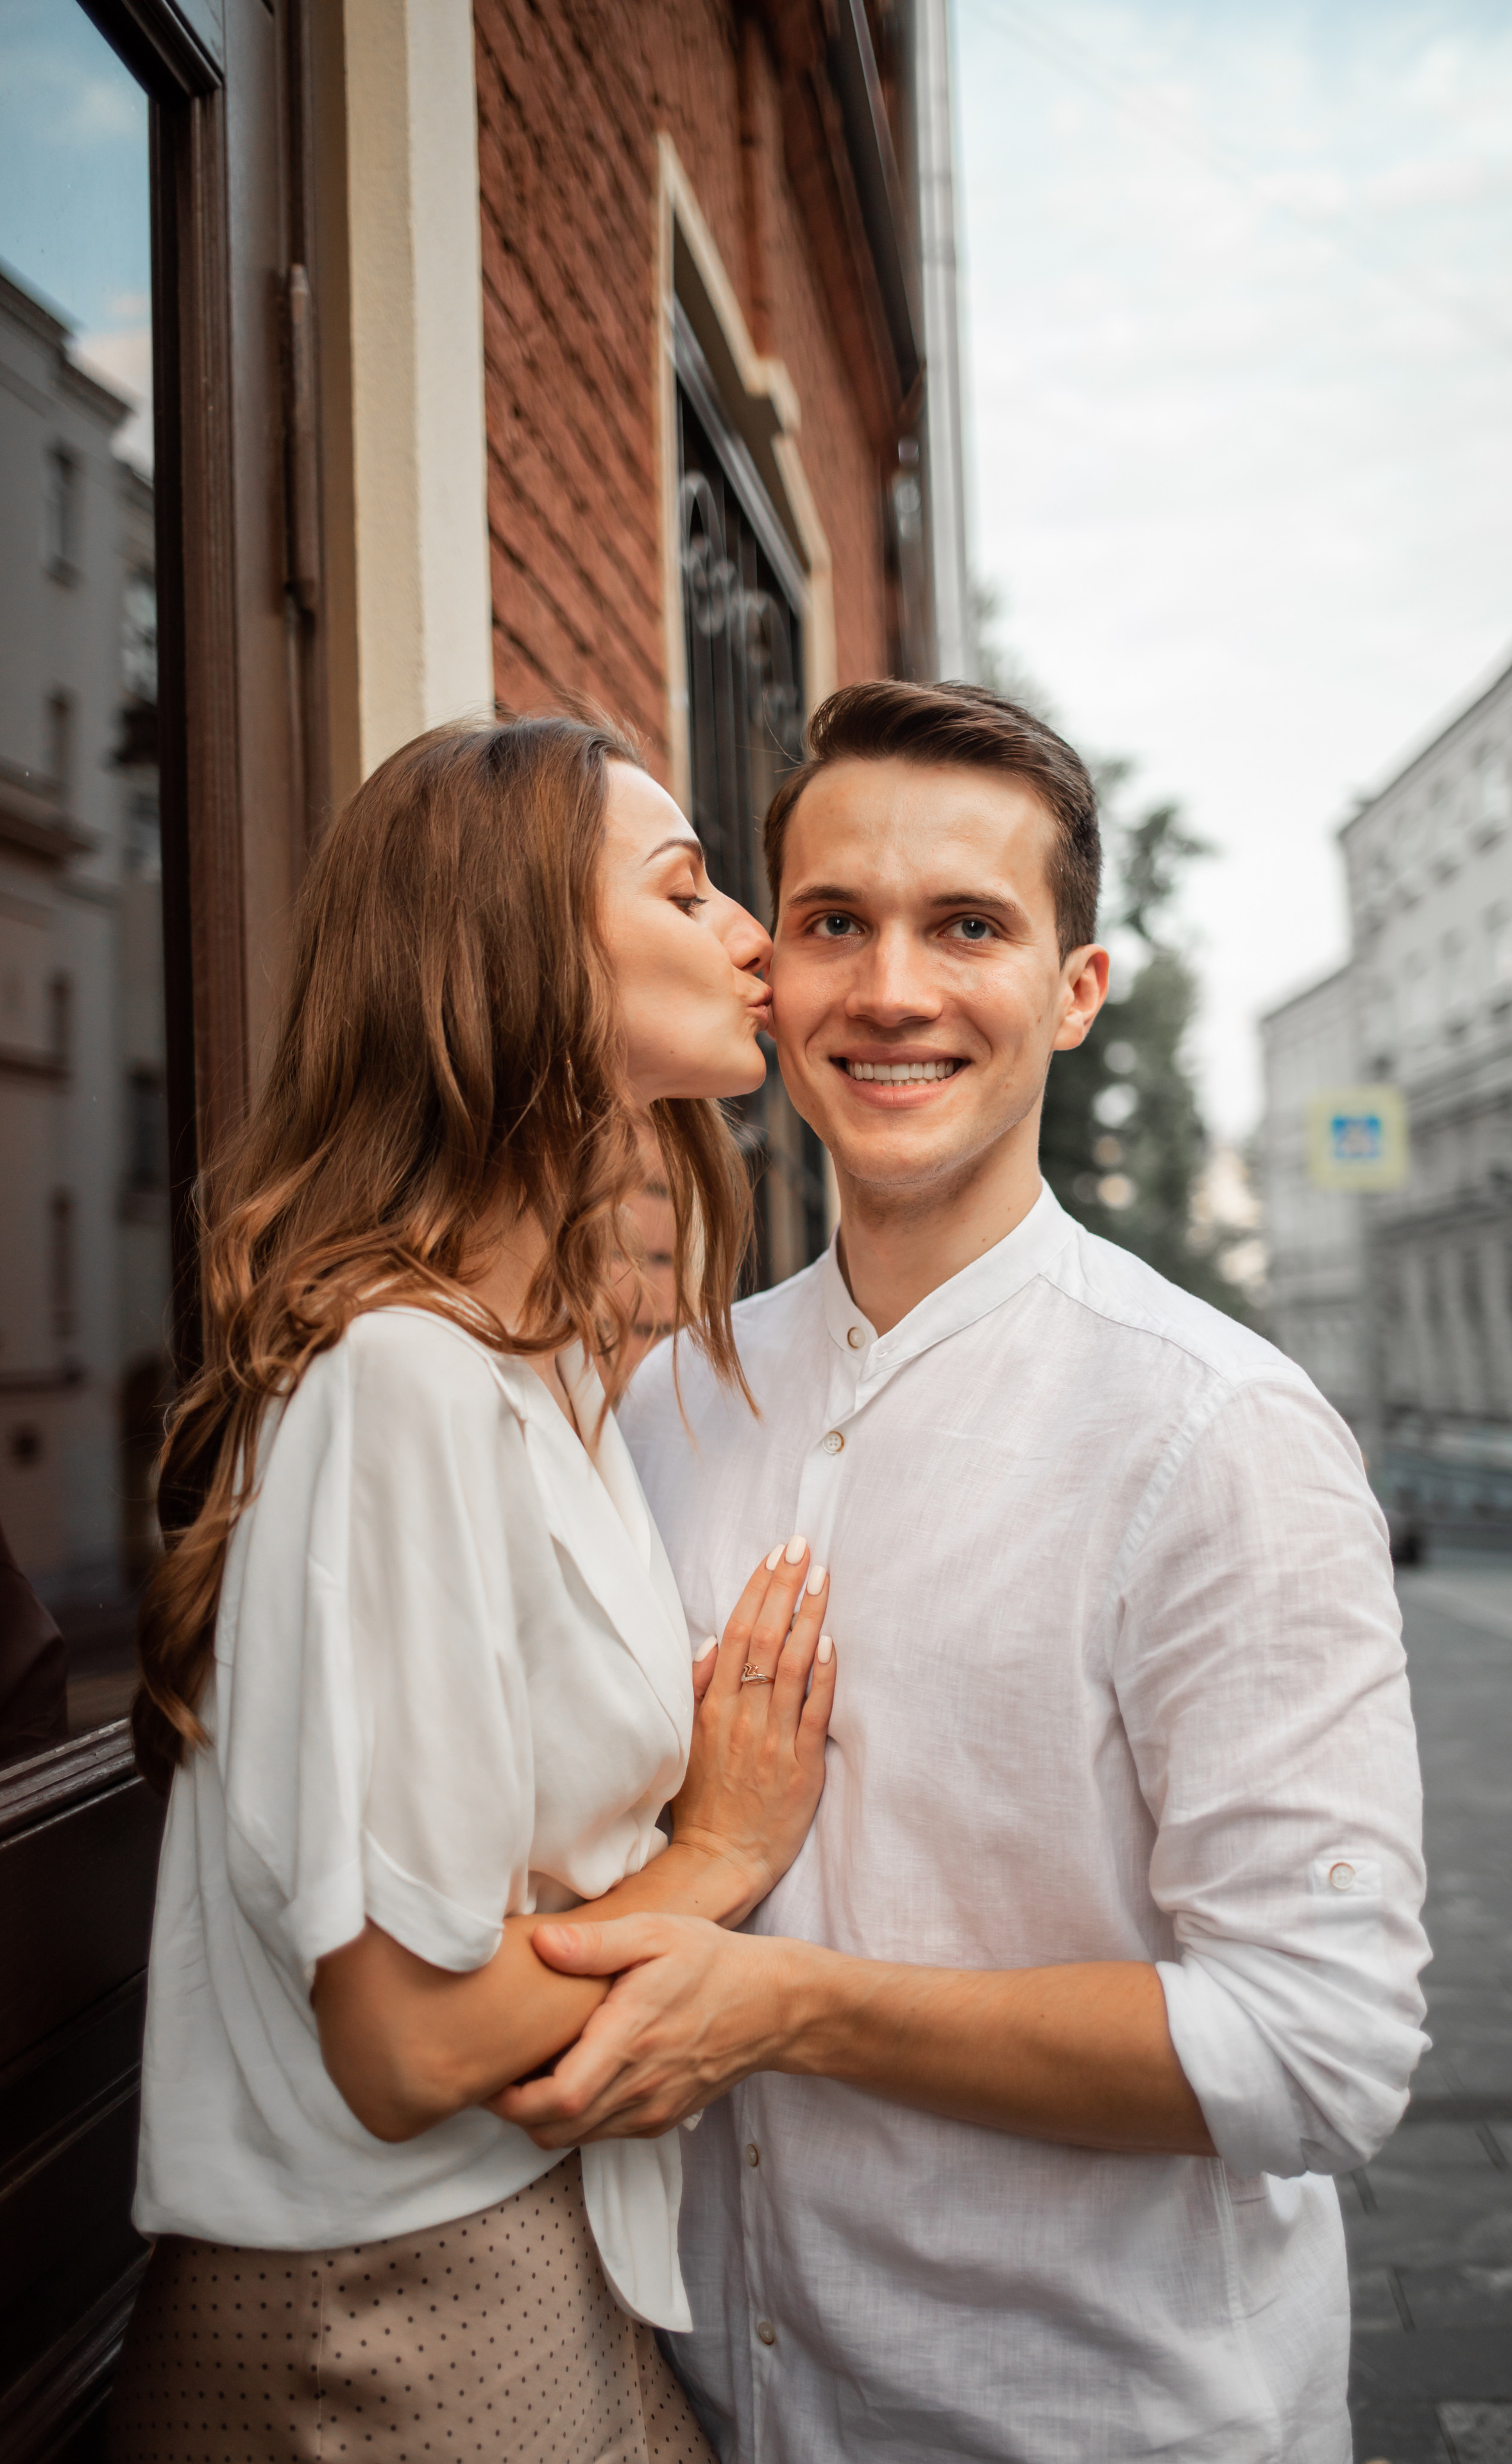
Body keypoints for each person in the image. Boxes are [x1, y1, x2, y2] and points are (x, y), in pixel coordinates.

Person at [496, 682, 1432, 2463]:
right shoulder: (666, 1405)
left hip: (1097, 2423)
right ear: (771, 971)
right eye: (835, 921)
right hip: (711, 2414)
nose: (893, 988)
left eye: (970, 927)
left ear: (1077, 992)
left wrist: (798, 2011)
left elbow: (1319, 2050)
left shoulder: (1216, 1431)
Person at [110, 716, 839, 2464]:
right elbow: (405, 2046)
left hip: (542, 2251)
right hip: (385, 2318)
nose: (754, 934)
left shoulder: (539, 1376)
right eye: (686, 890)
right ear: (517, 962)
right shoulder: (402, 1380)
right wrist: (719, 1854)